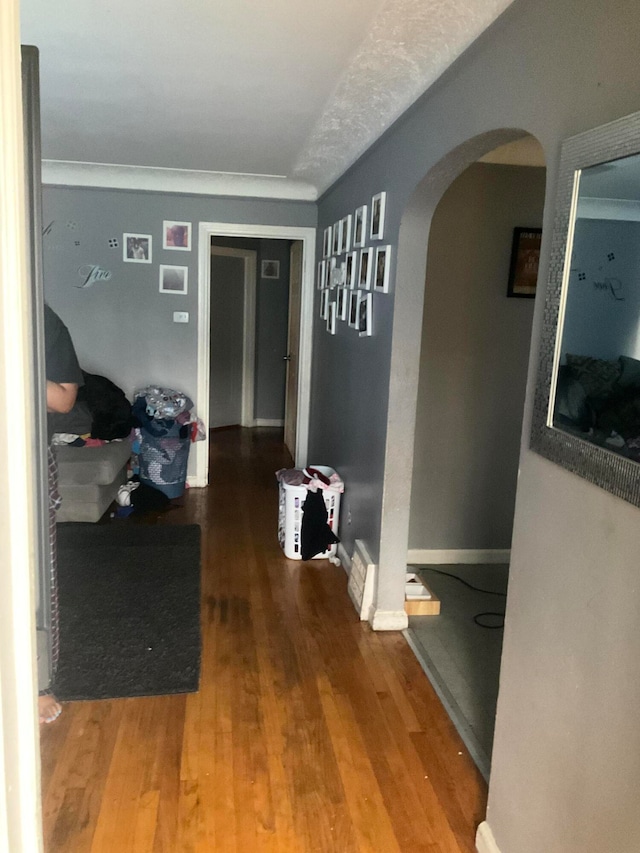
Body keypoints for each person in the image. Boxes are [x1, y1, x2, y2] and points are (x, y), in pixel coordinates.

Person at [39, 304, 83, 724]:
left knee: (35, 572)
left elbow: (66, 399)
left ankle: (38, 683)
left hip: (26, 456)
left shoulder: (44, 320)